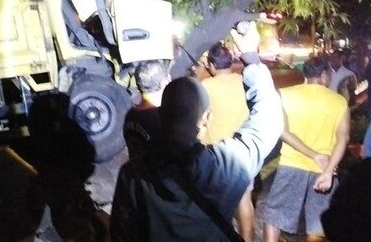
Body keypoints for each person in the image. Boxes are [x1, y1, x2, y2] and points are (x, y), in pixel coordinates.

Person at [110, 21, 283, 242]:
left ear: (161, 114)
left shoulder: (133, 174)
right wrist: (250, 56)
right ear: (205, 119)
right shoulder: (223, 165)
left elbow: (122, 232)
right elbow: (269, 119)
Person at [262, 57, 350, 242]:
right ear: (324, 75)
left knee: (275, 217)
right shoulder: (339, 102)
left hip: (291, 164)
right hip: (323, 170)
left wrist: (313, 155)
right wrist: (328, 171)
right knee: (318, 224)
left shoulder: (284, 95)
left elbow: (282, 132)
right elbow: (343, 138)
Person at [200, 43, 254, 242]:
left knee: (215, 203)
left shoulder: (206, 86)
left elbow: (201, 119)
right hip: (244, 150)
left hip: (216, 153)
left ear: (212, 65)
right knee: (244, 199)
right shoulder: (244, 81)